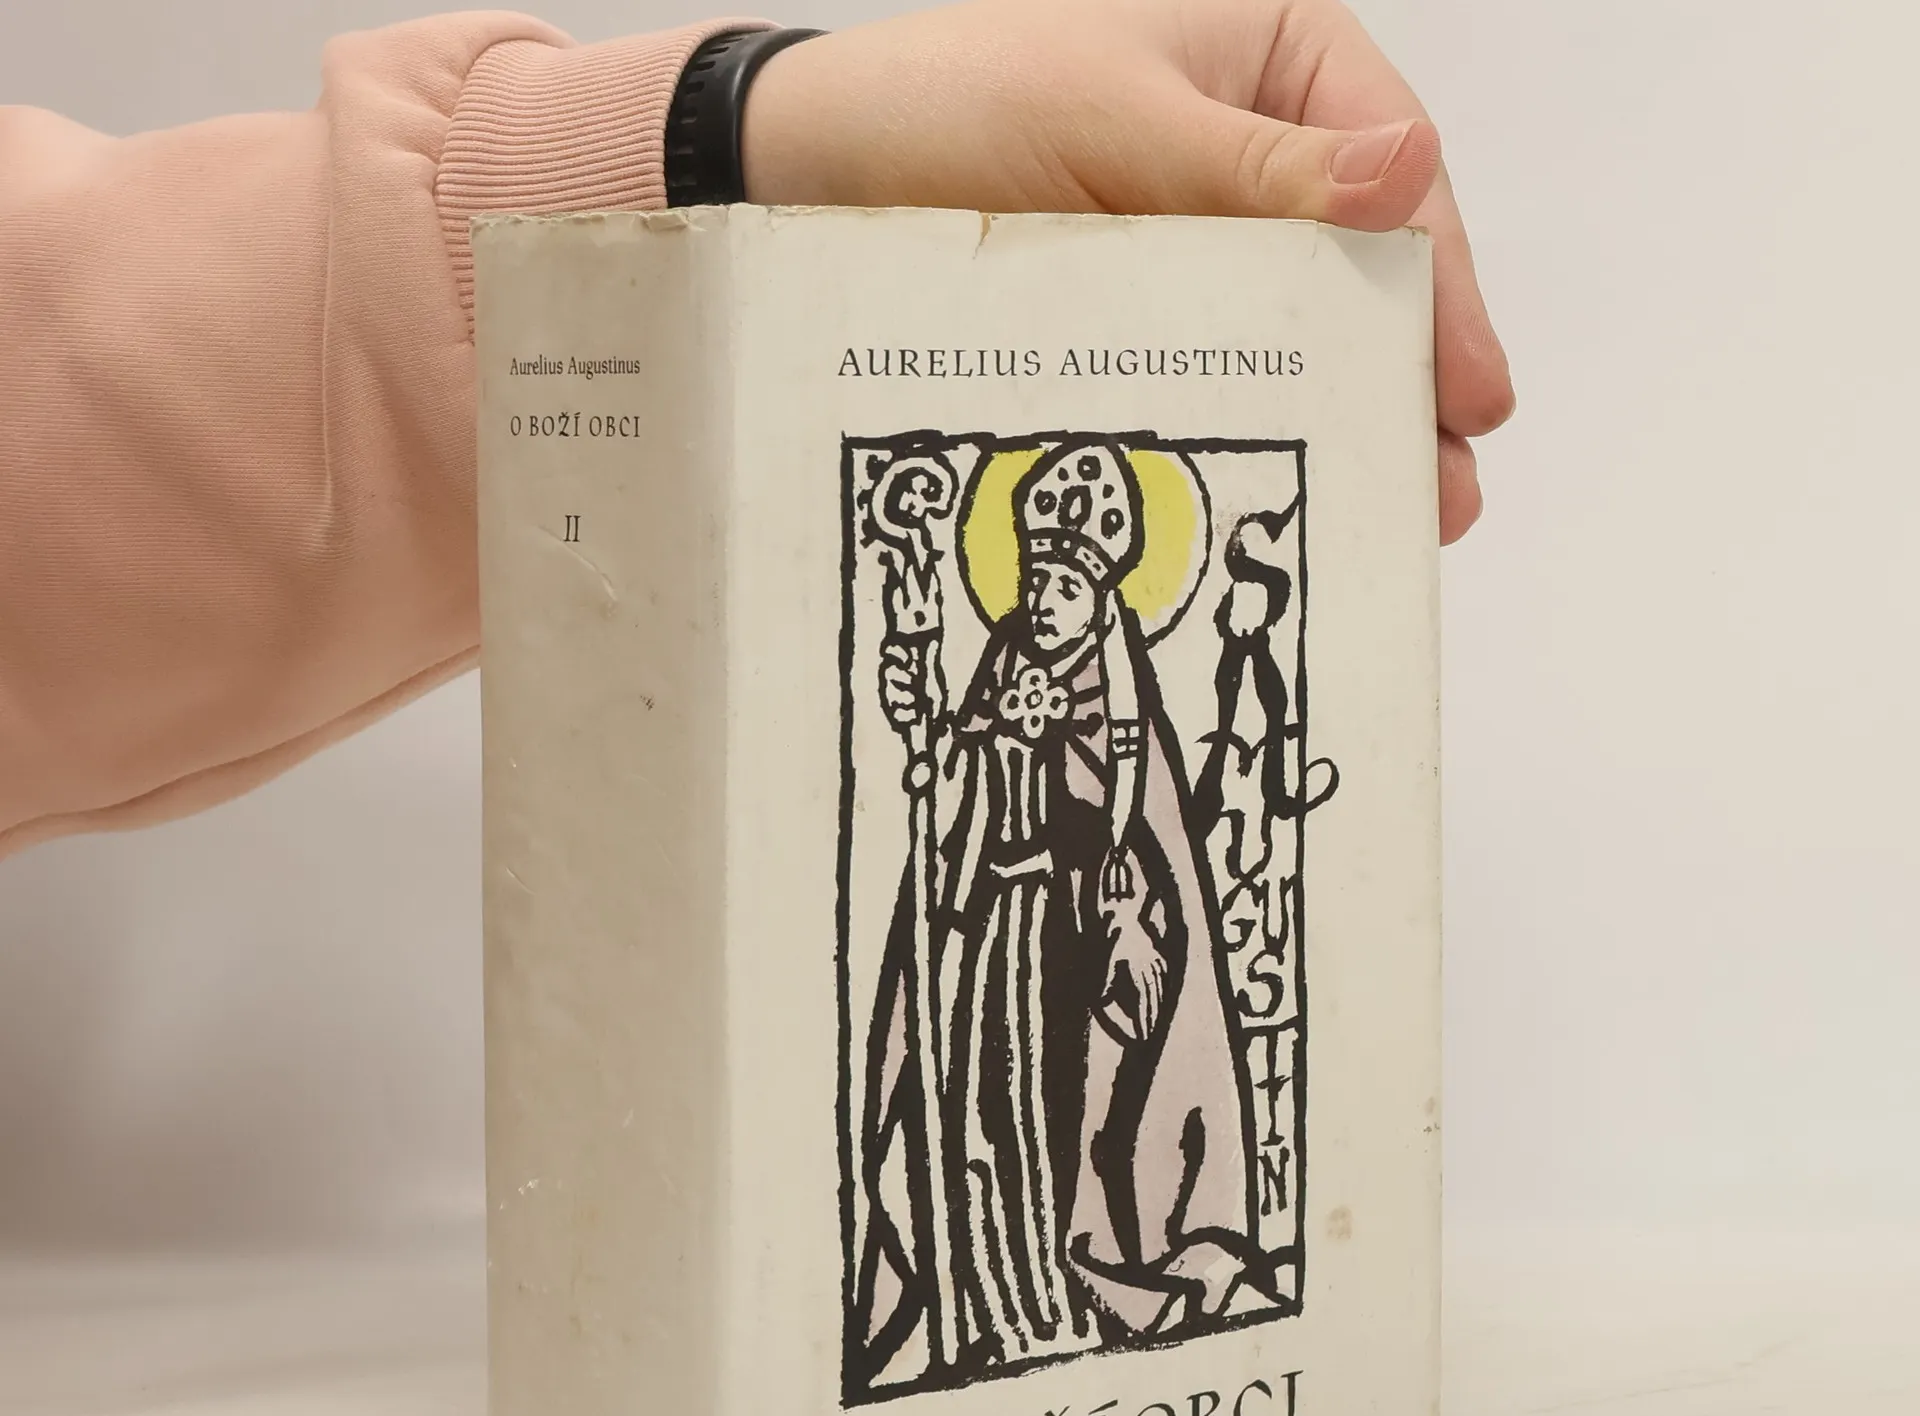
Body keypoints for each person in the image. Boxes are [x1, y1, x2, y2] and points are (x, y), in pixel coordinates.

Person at [0, 0, 1512, 863]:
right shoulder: (1008, 653)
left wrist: (723, 149)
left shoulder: (1120, 673)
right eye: (1049, 548)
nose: (1058, 576)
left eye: (1085, 552)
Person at [856, 440, 1264, 1392]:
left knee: (1059, 1122)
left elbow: (1135, 839)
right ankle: (983, 1293)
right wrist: (924, 719)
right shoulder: (1003, 660)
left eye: (1066, 586)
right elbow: (953, 779)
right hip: (990, 941)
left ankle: (1066, 1288)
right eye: (1035, 580)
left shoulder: (1121, 704)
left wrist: (1098, 891)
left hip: (1068, 951)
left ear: (1102, 595)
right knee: (977, 1117)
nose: (1043, 600)